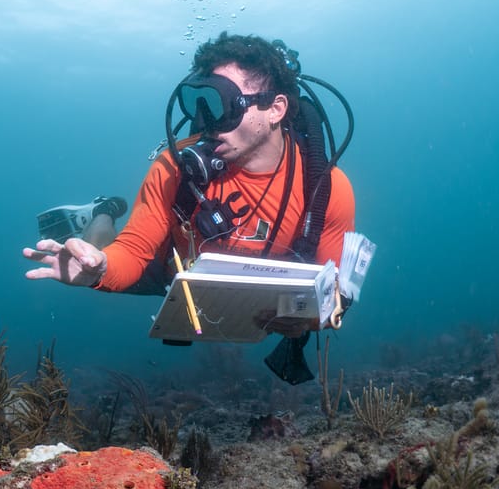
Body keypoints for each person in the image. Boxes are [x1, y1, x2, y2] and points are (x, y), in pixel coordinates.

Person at [23, 32, 355, 382]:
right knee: (100, 252)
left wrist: (311, 319)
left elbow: (335, 290)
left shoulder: (327, 188)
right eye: (200, 104)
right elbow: (134, 252)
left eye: (225, 105)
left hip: (263, 287)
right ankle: (105, 210)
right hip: (176, 266)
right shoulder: (175, 168)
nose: (209, 123)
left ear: (276, 108)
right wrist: (99, 269)